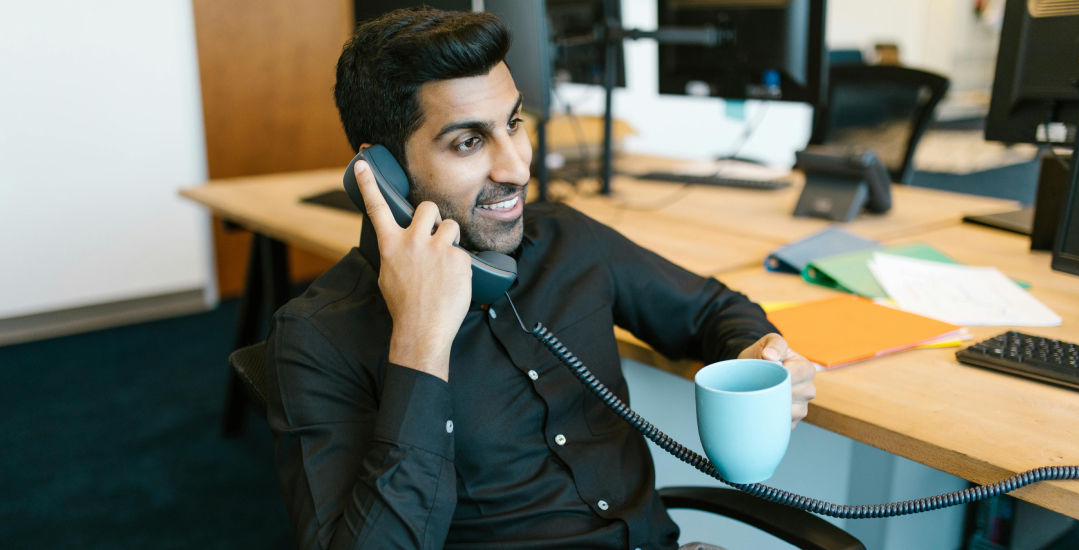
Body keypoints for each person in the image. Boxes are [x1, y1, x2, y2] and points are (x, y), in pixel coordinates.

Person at [266, 7, 816, 550]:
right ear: (380, 173)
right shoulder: (316, 339)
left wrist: (762, 355)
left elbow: (712, 309)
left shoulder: (566, 240)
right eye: (468, 142)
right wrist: (420, 343)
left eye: (512, 124)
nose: (516, 168)